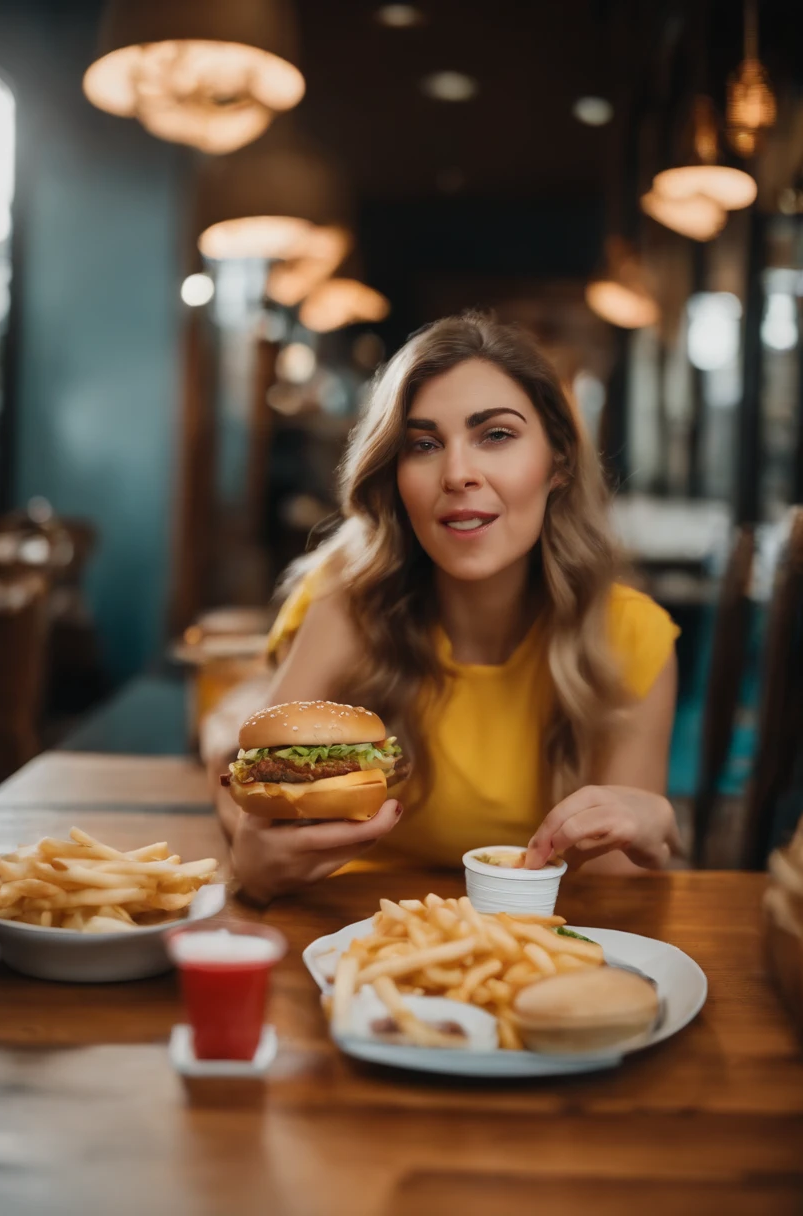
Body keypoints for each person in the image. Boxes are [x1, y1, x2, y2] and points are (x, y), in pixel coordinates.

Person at [209, 313, 682, 905]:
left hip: (530, 944)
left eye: (497, 435)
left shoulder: (631, 636)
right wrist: (252, 861)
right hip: (345, 933)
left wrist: (649, 825)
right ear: (395, 473)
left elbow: (618, 892)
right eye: (424, 445)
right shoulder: (349, 596)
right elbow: (257, 792)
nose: (458, 474)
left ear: (558, 462)